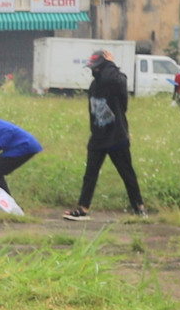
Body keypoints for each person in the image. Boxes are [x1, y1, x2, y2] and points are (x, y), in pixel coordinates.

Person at [63, 50, 147, 220]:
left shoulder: (116, 82)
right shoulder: (94, 86)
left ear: (104, 67)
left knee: (127, 174)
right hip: (98, 138)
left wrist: (110, 63)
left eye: (98, 68)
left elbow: (119, 87)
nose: (95, 71)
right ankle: (83, 208)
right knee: (90, 175)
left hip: (116, 137)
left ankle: (139, 207)